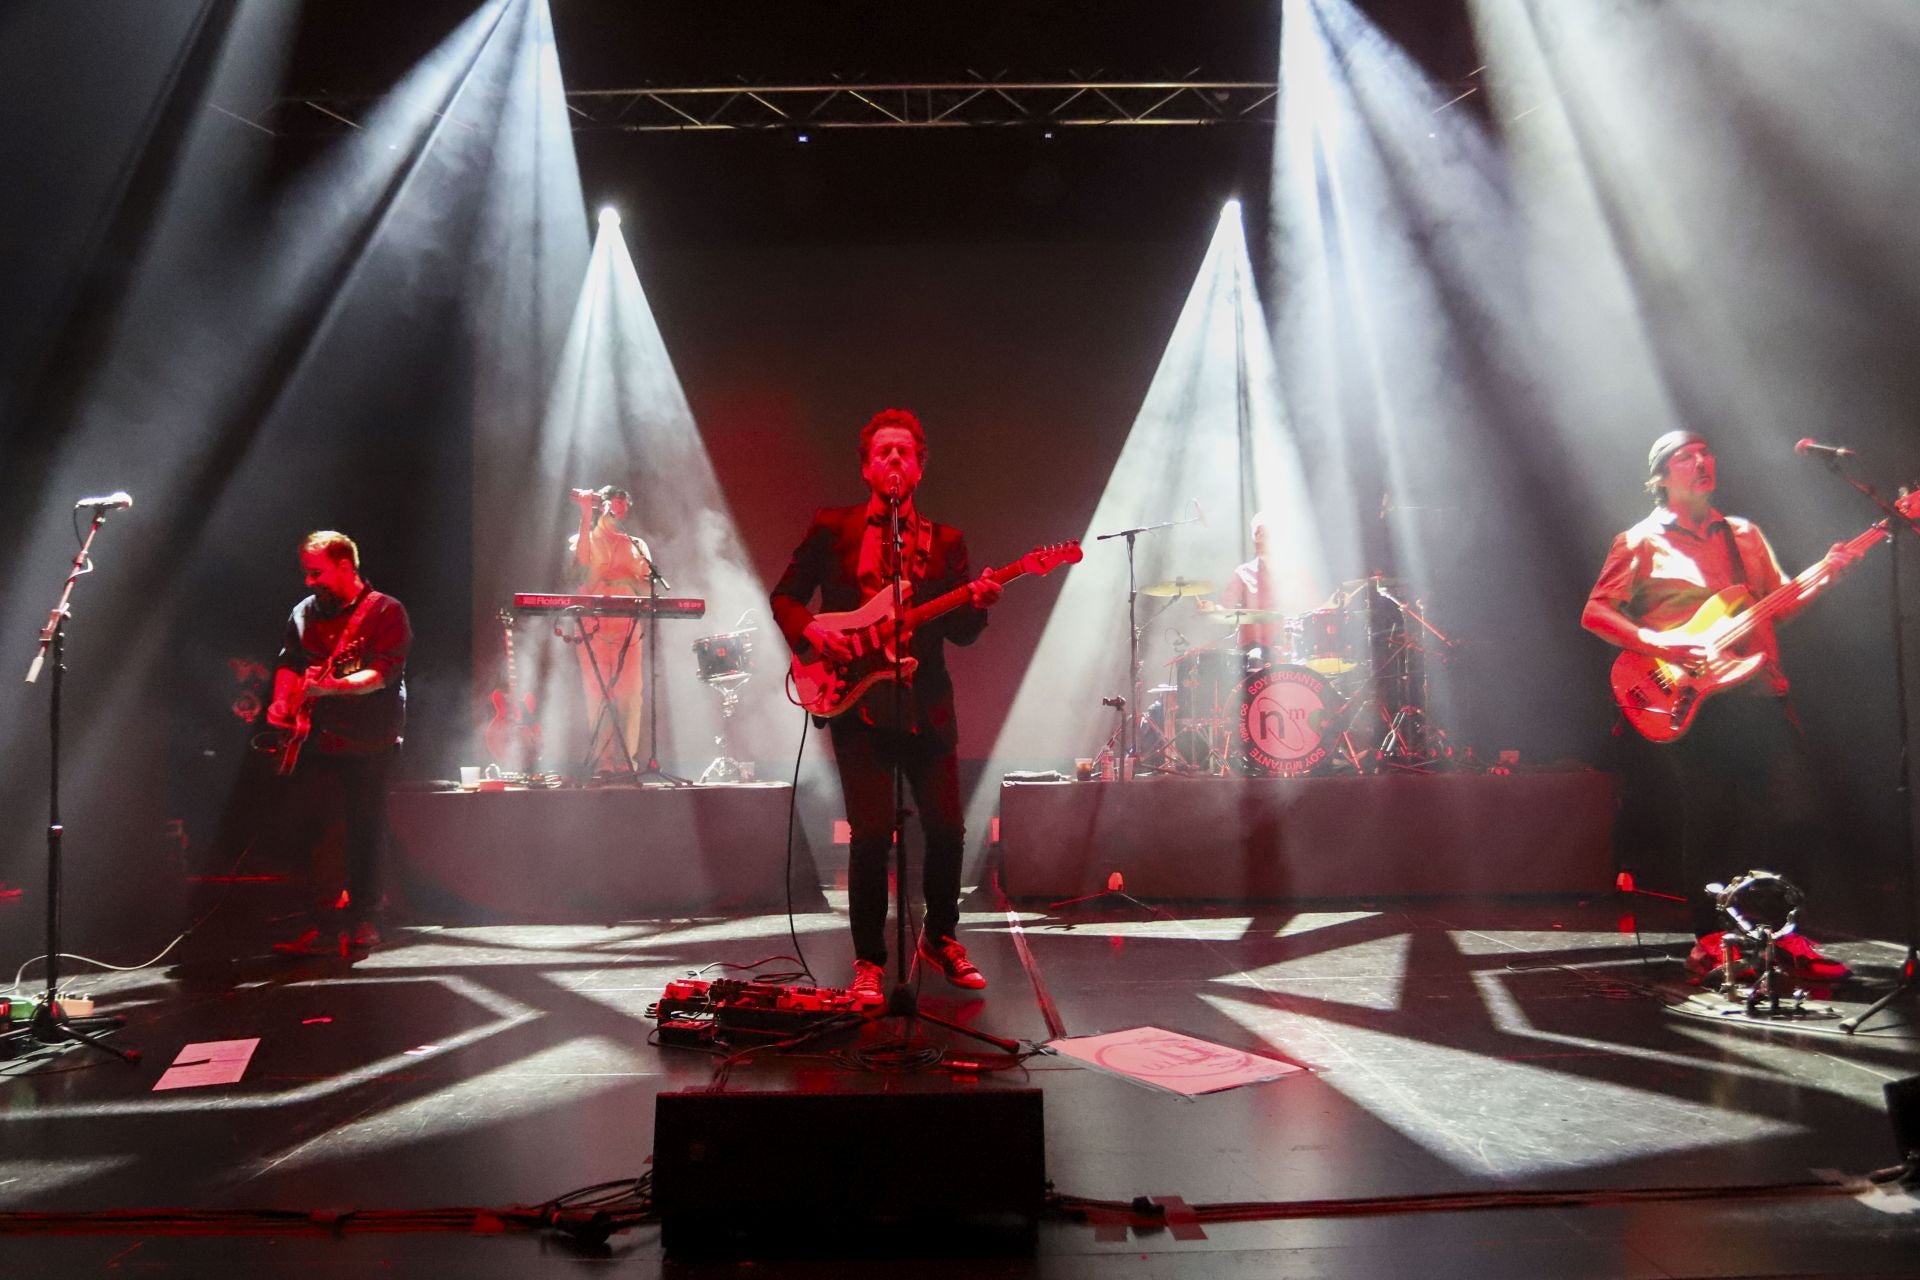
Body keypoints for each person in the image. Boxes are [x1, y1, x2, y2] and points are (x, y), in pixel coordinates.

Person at [1581, 432, 1861, 983]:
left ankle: (1784, 934)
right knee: (1710, 820)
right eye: (1687, 455)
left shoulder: (1744, 535)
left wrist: (1825, 573)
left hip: (1758, 690)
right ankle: (1708, 938)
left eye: (1708, 451)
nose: (1702, 461)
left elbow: (1778, 603)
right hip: (1690, 700)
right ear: (1661, 475)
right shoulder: (1639, 542)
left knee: (1796, 814)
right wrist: (1658, 643)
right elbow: (1596, 612)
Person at [770, 408, 1004, 1005]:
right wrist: (813, 635)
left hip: (927, 708)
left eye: (905, 453)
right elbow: (788, 596)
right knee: (871, 835)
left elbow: (963, 634)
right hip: (857, 706)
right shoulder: (833, 527)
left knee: (949, 828)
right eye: (884, 452)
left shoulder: (944, 542)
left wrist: (978, 603)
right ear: (868, 466)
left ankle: (940, 937)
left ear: (919, 468)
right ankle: (869, 961)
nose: (894, 460)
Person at [266, 531, 410, 957]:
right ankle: (323, 921)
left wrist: (333, 689)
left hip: (371, 736)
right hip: (315, 736)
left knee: (365, 828)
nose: (309, 582)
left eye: (316, 573)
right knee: (313, 828)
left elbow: (383, 674)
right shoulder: (303, 613)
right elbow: (290, 662)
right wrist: (281, 701)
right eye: (306, 573)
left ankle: (365, 919)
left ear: (346, 567)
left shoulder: (386, 611)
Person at [568, 484, 651, 777]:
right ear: (603, 506)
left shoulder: (636, 544)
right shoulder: (585, 538)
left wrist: (625, 580)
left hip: (628, 623)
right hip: (594, 625)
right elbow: (581, 565)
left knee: (632, 694)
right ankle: (604, 762)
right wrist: (584, 513)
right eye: (613, 505)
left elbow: (647, 583)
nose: (618, 511)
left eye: (623, 507)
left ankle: (627, 761)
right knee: (599, 693)